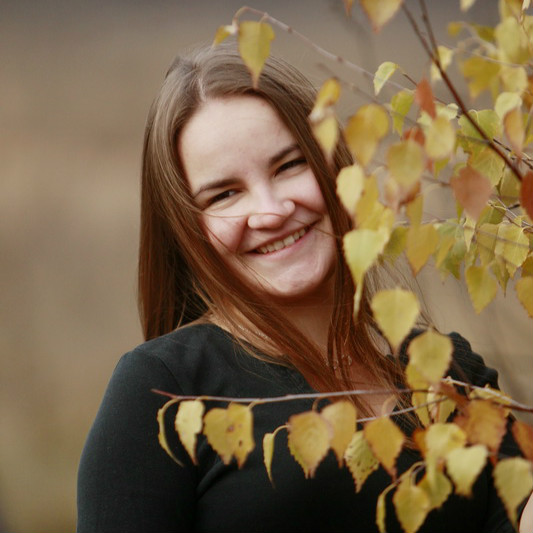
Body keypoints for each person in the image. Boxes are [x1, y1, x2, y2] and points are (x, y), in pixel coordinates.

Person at [77, 43, 532, 533]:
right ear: (189, 229)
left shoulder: (449, 373)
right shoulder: (161, 393)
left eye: (289, 166)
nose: (272, 211)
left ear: (335, 167)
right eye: (225, 194)